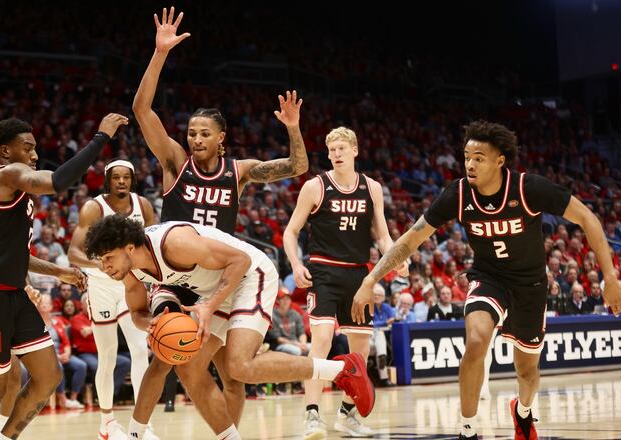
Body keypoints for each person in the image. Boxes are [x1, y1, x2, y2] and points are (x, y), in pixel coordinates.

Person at [351, 120, 621, 440]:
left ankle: (523, 412)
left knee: (527, 370)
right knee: (477, 339)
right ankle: (467, 431)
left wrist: (610, 276)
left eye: (479, 157)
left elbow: (588, 218)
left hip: (530, 284)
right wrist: (370, 279)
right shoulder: (457, 194)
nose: (470, 163)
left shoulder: (529, 188)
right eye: (467, 156)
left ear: (500, 160)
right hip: (488, 277)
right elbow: (411, 239)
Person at [130, 8, 309, 436]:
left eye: (204, 134)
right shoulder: (174, 161)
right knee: (167, 353)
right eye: (191, 132)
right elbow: (141, 109)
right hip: (177, 276)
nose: (195, 139)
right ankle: (132, 430)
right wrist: (159, 54)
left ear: (221, 138)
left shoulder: (241, 171)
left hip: (222, 275)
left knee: (233, 373)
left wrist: (293, 128)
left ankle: (229, 433)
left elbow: (297, 165)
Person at [85, 217, 372, 440]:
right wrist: (152, 324)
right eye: (101, 260)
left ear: (130, 248)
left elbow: (240, 260)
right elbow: (137, 312)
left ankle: (342, 370)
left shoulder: (174, 243)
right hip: (215, 288)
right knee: (186, 366)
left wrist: (209, 306)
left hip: (250, 275)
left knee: (239, 366)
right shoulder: (130, 270)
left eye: (108, 258)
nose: (105, 266)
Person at [0, 113, 126, 440]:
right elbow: (56, 182)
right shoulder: (5, 174)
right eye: (28, 148)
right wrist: (101, 138)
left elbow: (20, 257)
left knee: (48, 376)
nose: (35, 155)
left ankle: (1, 438)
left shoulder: (18, 197)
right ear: (6, 151)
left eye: (35, 149)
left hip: (12, 294)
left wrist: (61, 272)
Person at [282, 126, 407, 438]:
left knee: (359, 351)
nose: (336, 154)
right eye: (331, 149)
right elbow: (290, 231)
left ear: (355, 151)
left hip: (358, 275)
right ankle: (312, 414)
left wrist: (396, 258)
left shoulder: (372, 188)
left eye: (341, 148)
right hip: (323, 272)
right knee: (321, 341)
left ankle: (347, 414)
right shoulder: (315, 186)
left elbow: (381, 234)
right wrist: (296, 263)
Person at [67, 159, 159, 440]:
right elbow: (74, 254)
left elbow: (155, 241)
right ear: (107, 181)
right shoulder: (93, 208)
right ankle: (106, 423)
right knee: (106, 356)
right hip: (102, 287)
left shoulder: (142, 205)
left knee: (140, 351)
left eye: (126, 177)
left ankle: (143, 426)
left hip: (132, 285)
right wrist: (104, 266)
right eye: (116, 177)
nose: (121, 182)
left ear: (132, 180)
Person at [37, 294, 87, 410]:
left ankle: (73, 399)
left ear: (51, 306)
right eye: (41, 303)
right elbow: (38, 345)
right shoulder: (35, 323)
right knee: (58, 366)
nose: (43, 305)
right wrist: (57, 357)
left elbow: (65, 341)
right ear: (38, 306)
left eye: (46, 303)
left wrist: (67, 353)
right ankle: (63, 399)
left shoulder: (57, 322)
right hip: (44, 356)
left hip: (61, 353)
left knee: (81, 365)